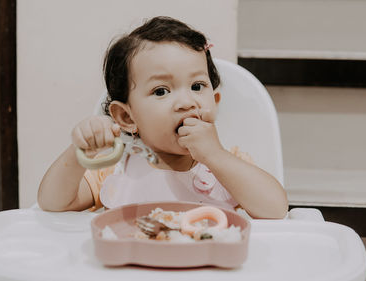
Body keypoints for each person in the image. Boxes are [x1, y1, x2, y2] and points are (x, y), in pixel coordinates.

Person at [37, 16, 288, 219]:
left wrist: (215, 155)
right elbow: (54, 203)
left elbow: (275, 211)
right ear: (126, 117)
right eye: (161, 91)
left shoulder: (227, 165)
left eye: (198, 86)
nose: (187, 102)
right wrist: (79, 152)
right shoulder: (115, 168)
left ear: (216, 103)